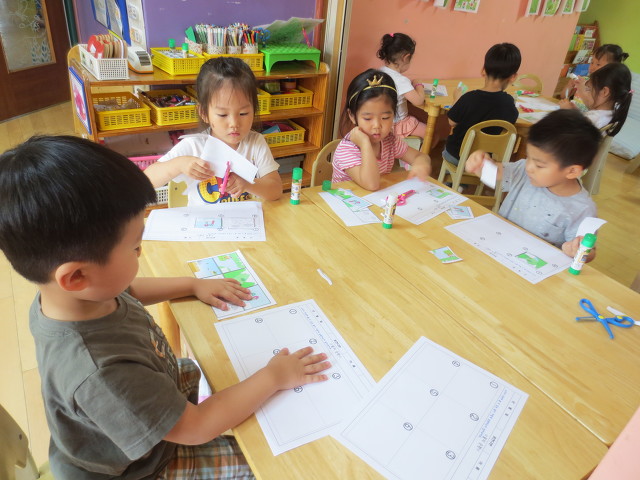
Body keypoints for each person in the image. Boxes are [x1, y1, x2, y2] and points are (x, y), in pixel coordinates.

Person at [0, 135, 330, 479]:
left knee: (208, 369)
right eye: (135, 248)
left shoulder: (74, 295)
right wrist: (274, 376)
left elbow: (129, 290)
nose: (141, 253)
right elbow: (197, 427)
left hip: (150, 397)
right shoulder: (100, 373)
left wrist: (192, 284)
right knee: (262, 463)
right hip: (144, 468)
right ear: (77, 276)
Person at [464, 109, 602, 260]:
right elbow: (495, 173)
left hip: (532, 264)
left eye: (539, 165)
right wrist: (481, 164)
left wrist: (579, 251)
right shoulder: (524, 171)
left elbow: (588, 252)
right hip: (497, 246)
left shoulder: (582, 209)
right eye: (528, 157)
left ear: (572, 171)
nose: (529, 167)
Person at [145, 57, 283, 204]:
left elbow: (275, 190)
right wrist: (179, 164)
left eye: (243, 113)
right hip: (203, 219)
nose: (234, 123)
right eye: (223, 115)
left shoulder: (255, 143)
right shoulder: (193, 146)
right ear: (204, 113)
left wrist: (248, 184)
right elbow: (146, 181)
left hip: (246, 217)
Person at [333, 69, 432, 191]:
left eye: (385, 118)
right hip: (345, 201)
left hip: (375, 199)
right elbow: (371, 184)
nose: (377, 125)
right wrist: (365, 144)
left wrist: (421, 163)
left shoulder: (390, 140)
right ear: (352, 116)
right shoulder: (347, 149)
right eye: (368, 118)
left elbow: (420, 156)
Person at [443, 43, 521, 166]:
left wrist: (456, 100)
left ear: (483, 70)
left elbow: (452, 122)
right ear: (513, 77)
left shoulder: (468, 98)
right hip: (482, 161)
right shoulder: (509, 104)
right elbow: (509, 125)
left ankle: (452, 176)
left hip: (456, 155)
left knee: (449, 149)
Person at [377, 32, 427, 139]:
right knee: (431, 134)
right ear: (406, 57)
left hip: (381, 121)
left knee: (417, 117)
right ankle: (415, 151)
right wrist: (418, 84)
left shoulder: (380, 72)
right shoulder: (401, 80)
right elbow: (419, 101)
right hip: (397, 124)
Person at [559, 62, 632, 134]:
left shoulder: (593, 119)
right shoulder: (611, 113)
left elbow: (567, 134)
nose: (587, 92)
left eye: (589, 89)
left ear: (604, 92)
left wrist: (567, 113)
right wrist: (576, 113)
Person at [563, 44, 630, 99]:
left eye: (598, 64)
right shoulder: (585, 80)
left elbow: (593, 106)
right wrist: (570, 85)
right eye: (592, 62)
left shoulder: (606, 90)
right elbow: (563, 96)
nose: (592, 67)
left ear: (612, 68)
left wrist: (583, 89)